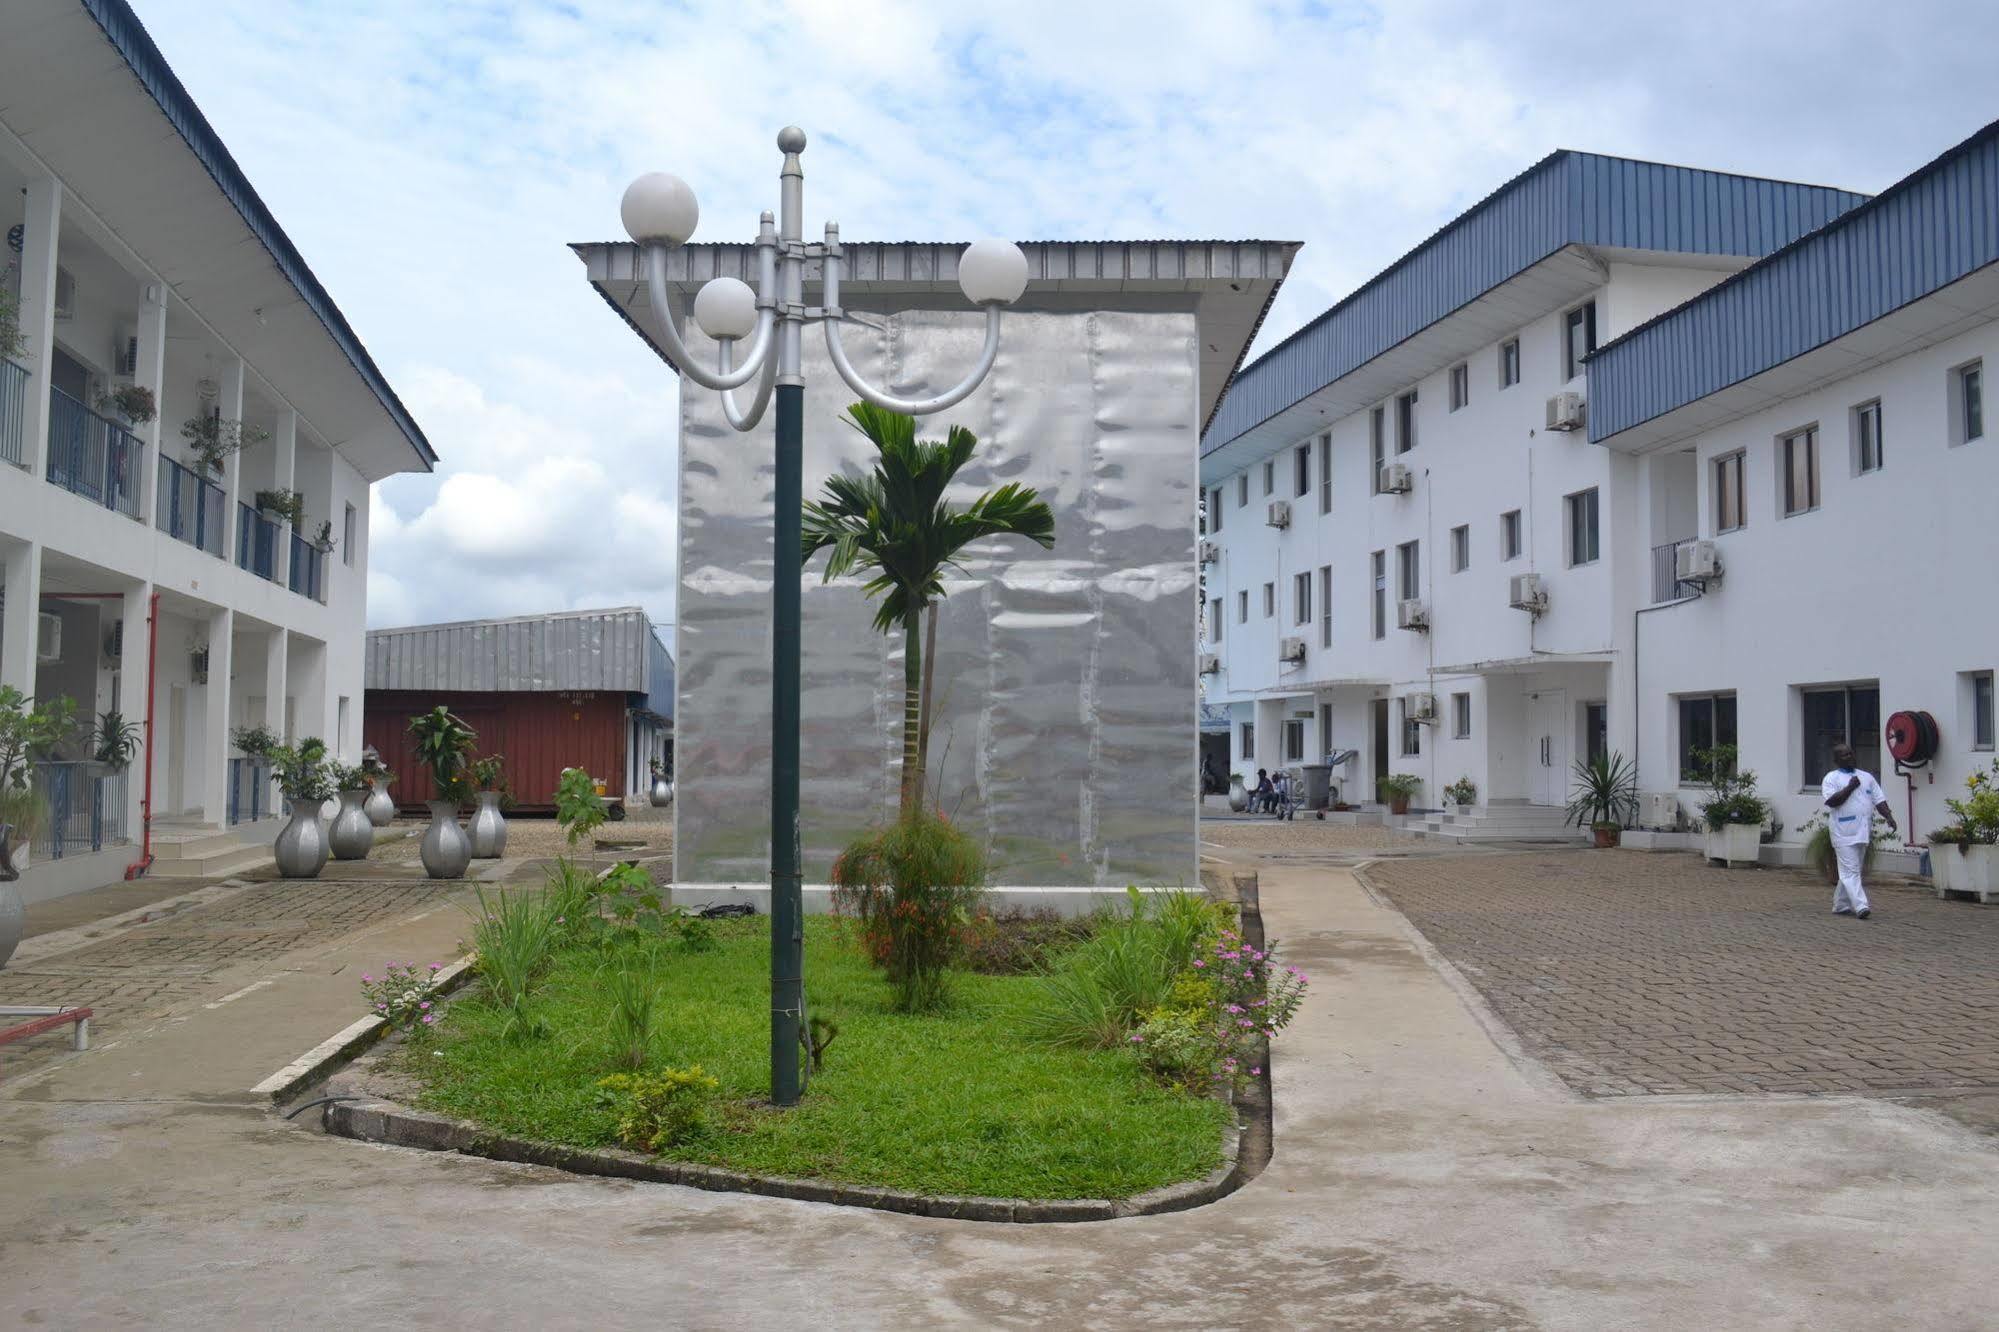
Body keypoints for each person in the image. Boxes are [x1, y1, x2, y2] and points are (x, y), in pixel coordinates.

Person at [1821, 741, 1897, 920]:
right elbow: (1831, 801)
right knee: (1850, 871)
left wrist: (1889, 817)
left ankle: (1840, 905)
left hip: (1862, 831)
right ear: (1836, 760)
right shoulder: (1831, 778)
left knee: (1852, 870)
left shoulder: (1867, 777)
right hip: (1842, 832)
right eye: (1845, 755)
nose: (1850, 757)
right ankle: (1861, 906)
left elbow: (1879, 800)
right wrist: (1850, 787)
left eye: (1851, 753)